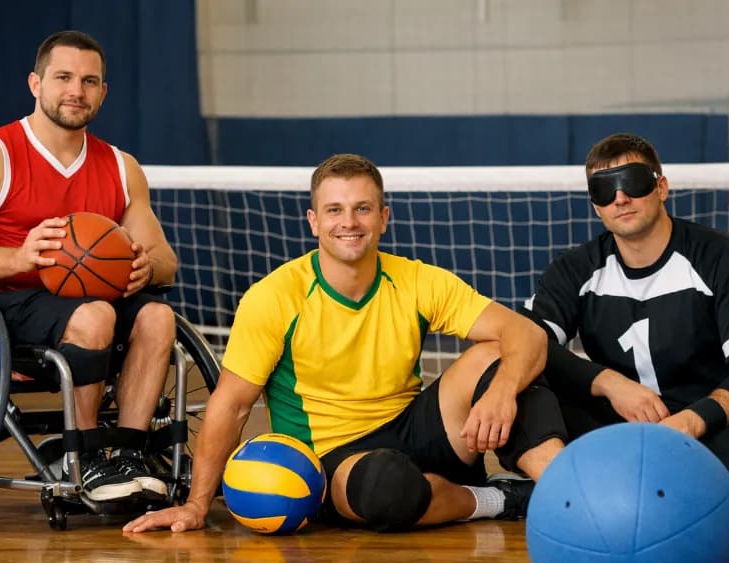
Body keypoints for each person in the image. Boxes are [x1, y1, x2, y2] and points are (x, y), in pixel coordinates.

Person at [124, 153, 567, 533]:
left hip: (416, 427)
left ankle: (567, 495)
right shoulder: (275, 296)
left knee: (501, 354)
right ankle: (500, 500)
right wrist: (197, 505)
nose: (349, 222)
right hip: (336, 458)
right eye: (335, 210)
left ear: (383, 217)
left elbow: (527, 334)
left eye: (362, 208)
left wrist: (501, 391)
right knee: (388, 487)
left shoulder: (416, 279)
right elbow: (232, 404)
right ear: (314, 221)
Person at [0, 30, 178, 503]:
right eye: (63, 78)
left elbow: (166, 262)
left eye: (89, 81)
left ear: (103, 92)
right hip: (12, 303)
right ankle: (87, 456)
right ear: (35, 83)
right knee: (95, 314)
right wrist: (19, 256)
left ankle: (128, 454)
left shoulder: (122, 167)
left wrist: (147, 266)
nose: (76, 91)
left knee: (158, 316)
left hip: (96, 297)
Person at [521, 132, 729, 518]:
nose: (620, 198)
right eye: (603, 190)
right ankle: (726, 494)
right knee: (512, 390)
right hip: (616, 430)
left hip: (708, 432)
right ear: (596, 206)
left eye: (632, 182)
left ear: (661, 187)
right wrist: (609, 383)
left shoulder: (723, 258)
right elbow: (526, 343)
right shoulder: (574, 269)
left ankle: (595, 493)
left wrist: (693, 420)